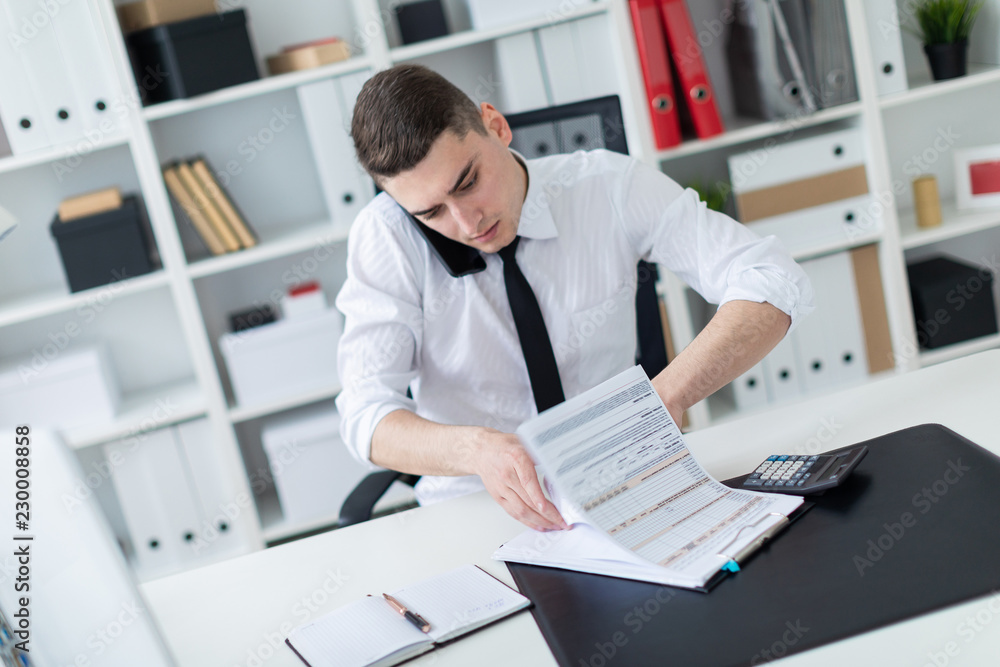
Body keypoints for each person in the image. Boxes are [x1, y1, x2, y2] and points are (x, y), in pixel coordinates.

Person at [336, 64, 813, 532]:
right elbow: (365, 414)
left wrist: (667, 395)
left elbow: (771, 278)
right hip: (477, 509)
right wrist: (477, 451)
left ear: (495, 126)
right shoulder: (387, 238)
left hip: (630, 484)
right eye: (431, 211)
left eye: (467, 183)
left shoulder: (607, 187)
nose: (467, 224)